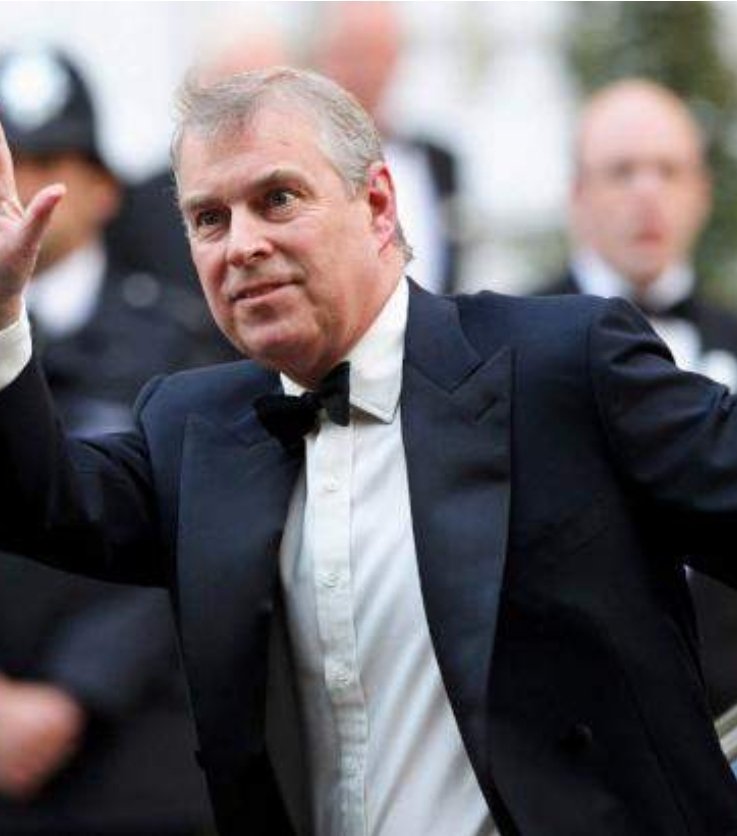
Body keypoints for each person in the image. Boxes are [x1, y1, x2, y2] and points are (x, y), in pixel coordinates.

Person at [2, 66, 737, 836]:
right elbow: (41, 500)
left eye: (277, 199)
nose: (243, 245)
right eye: (210, 219)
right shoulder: (194, 426)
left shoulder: (561, 365)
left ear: (378, 205)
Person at [0, 47, 212, 835]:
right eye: (9, 165)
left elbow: (192, 528)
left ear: (102, 189)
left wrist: (74, 693)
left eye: (48, 164)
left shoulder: (180, 343)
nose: (20, 189)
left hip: (131, 759)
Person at [544, 77, 737, 716]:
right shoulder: (507, 344)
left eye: (668, 171)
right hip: (575, 722)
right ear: (577, 194)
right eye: (622, 172)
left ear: (702, 192)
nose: (647, 193)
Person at [313, 1, 461, 294]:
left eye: (378, 54)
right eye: (353, 53)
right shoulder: (303, 160)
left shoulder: (437, 160)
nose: (366, 71)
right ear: (325, 57)